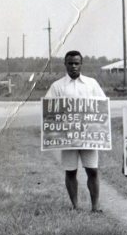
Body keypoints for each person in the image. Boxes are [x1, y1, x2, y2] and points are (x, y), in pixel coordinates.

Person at [45, 50, 106, 212]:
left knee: (92, 170)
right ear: (65, 64)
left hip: (89, 135)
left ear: (81, 64)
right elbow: (49, 111)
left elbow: (102, 107)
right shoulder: (57, 86)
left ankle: (95, 206)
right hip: (68, 137)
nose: (73, 66)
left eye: (76, 63)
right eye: (70, 63)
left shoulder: (91, 83)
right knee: (71, 171)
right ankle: (75, 206)